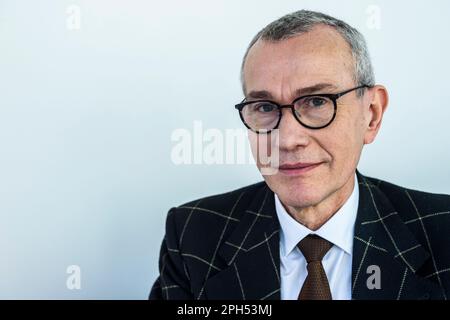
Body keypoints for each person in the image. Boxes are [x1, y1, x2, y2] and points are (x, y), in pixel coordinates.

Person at [149, 10, 450, 300]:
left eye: (317, 102)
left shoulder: (443, 231)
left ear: (371, 115)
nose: (289, 139)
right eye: (265, 107)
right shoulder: (193, 237)